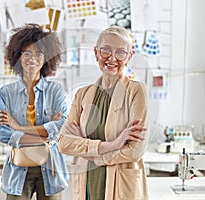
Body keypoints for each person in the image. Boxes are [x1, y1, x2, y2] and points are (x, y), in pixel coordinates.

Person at [58, 26, 149, 200]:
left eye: (120, 52)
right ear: (96, 53)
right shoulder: (82, 94)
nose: (112, 58)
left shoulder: (137, 91)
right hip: (88, 184)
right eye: (106, 50)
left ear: (129, 57)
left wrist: (90, 152)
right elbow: (63, 143)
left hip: (122, 187)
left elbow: (136, 150)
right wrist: (113, 144)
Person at [0, 23, 69, 200]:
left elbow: (61, 129)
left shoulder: (55, 91)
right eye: (26, 53)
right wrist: (45, 134)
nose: (32, 58)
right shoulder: (6, 93)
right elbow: (4, 135)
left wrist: (18, 128)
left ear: (46, 58)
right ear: (18, 56)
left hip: (51, 168)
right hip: (18, 167)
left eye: (38, 53)